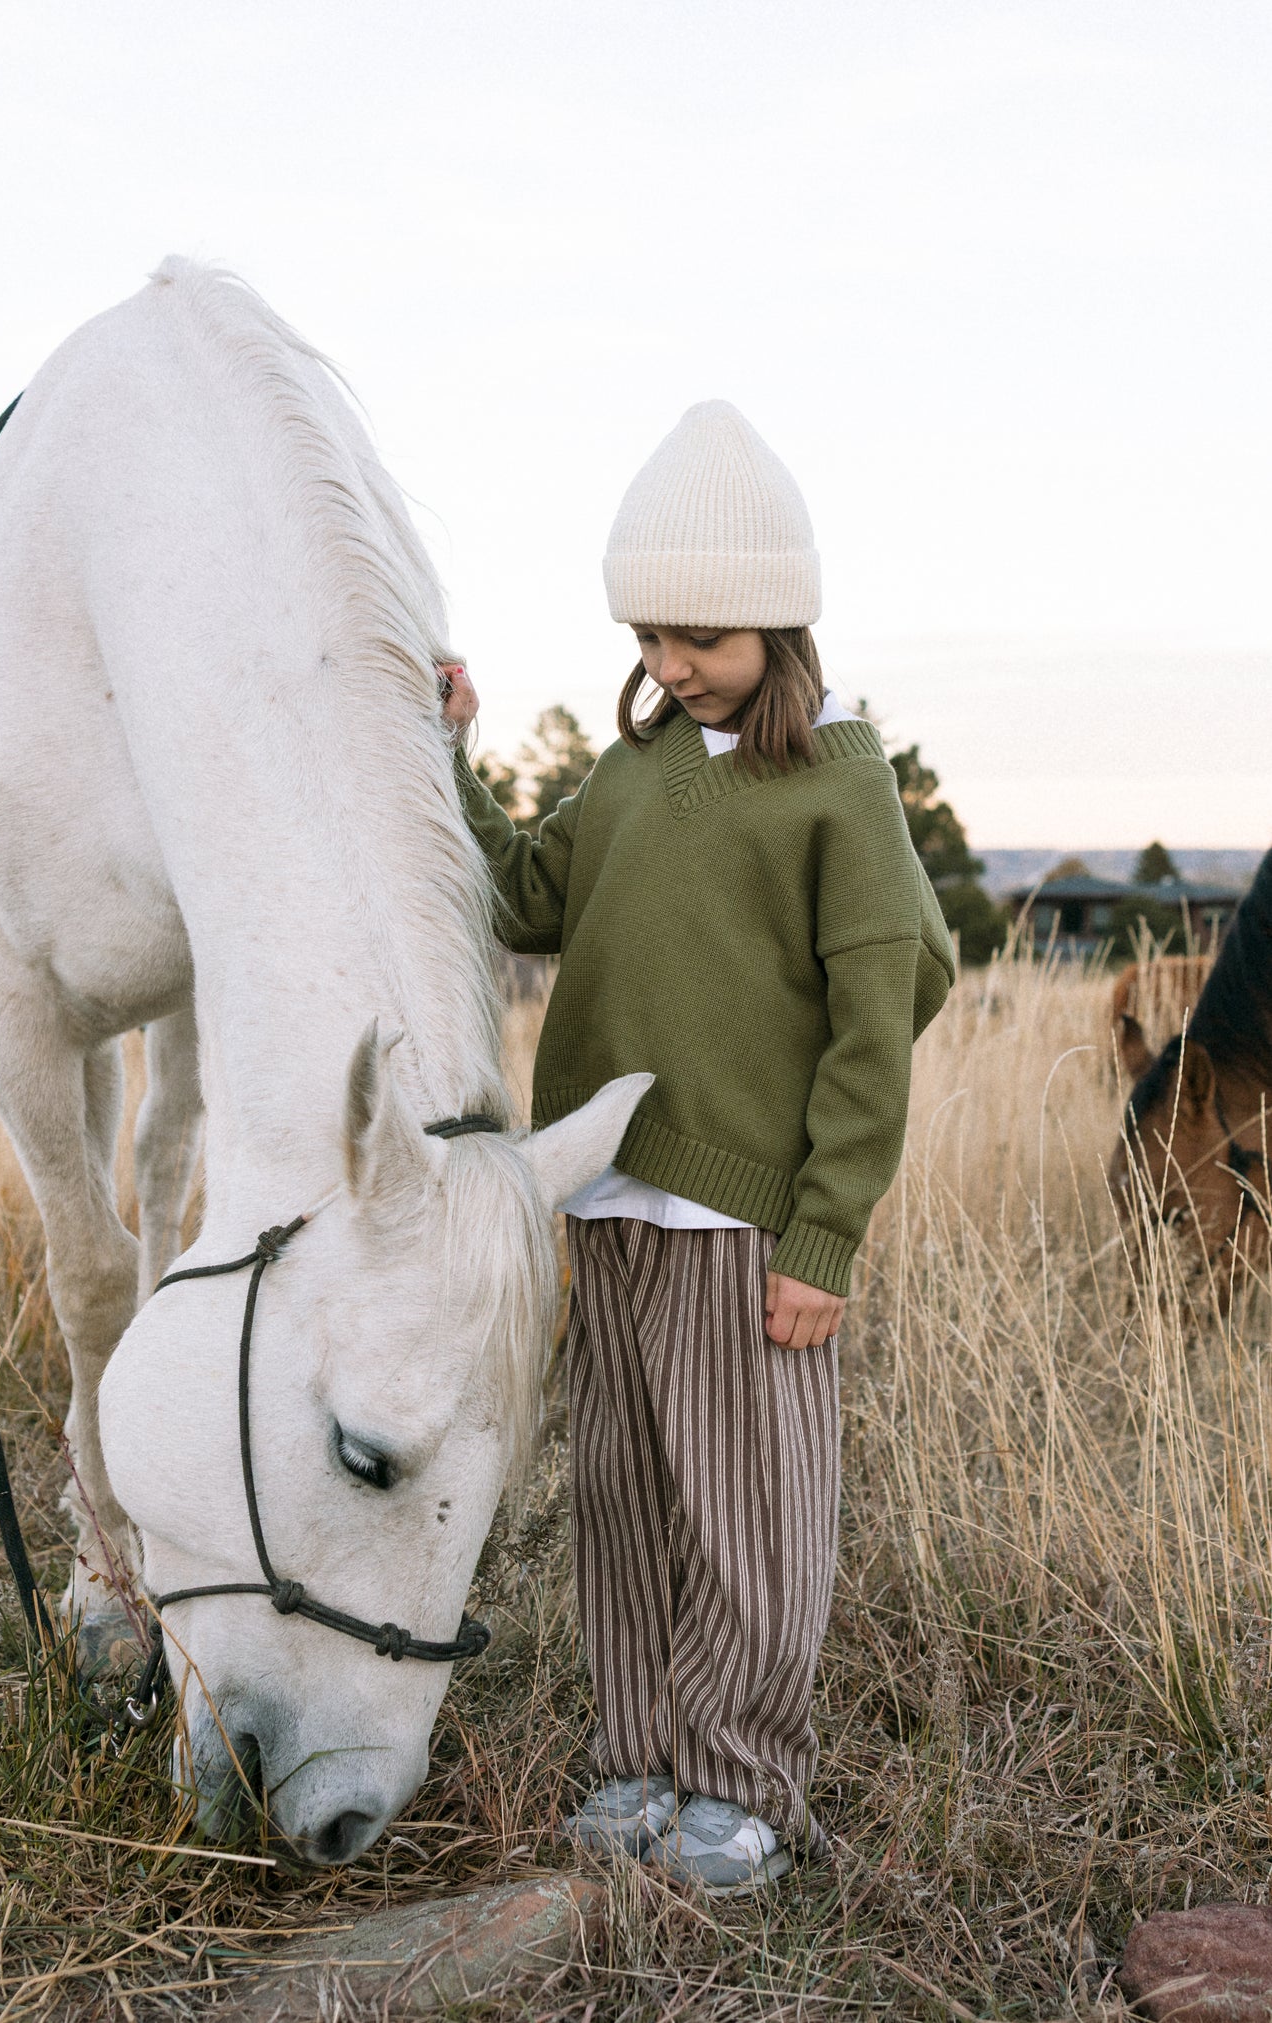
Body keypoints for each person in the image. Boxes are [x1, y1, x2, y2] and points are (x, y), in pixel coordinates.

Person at [440, 401, 955, 1893]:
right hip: (603, 1196)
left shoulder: (836, 782)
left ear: (776, 628)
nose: (666, 665)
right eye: (648, 636)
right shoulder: (633, 771)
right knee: (620, 1501)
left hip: (745, 1224)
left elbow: (879, 1016)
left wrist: (824, 1236)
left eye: (699, 642)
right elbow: (523, 894)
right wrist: (448, 748)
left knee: (747, 1518)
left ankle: (740, 1786)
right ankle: (636, 1761)